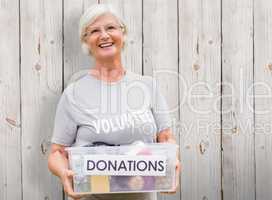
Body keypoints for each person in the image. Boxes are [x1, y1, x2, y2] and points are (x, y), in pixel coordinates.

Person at [47, 4, 180, 200]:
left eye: (110, 28)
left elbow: (166, 138)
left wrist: (174, 162)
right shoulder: (73, 94)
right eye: (94, 31)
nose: (104, 35)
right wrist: (64, 173)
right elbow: (57, 152)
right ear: (86, 41)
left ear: (123, 33)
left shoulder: (147, 86)